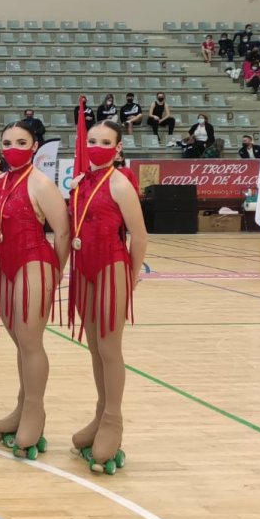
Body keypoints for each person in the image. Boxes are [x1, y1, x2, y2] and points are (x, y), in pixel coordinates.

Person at [67, 120, 148, 475]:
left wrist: (130, 277)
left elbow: (140, 235)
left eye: (105, 142)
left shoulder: (119, 183)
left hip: (111, 266)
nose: (97, 146)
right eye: (92, 140)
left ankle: (113, 420)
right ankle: (100, 413)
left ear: (117, 148)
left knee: (110, 347)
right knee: (94, 346)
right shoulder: (81, 182)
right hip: (82, 267)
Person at [0, 121, 69, 459]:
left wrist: (55, 271)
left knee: (30, 340)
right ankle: (23, 405)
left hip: (34, 261)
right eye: (7, 142)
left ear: (35, 146)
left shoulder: (41, 183)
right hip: (5, 264)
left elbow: (62, 233)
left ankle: (35, 411)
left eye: (21, 142)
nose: (13, 148)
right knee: (19, 339)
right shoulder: (1, 181)